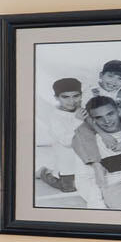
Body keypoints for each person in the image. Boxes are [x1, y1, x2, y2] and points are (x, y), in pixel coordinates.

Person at [34, 75, 93, 205]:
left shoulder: (83, 108)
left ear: (81, 95)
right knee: (68, 188)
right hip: (68, 161)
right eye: (65, 97)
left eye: (75, 96)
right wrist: (77, 120)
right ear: (57, 98)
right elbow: (66, 142)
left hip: (86, 159)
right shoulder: (54, 116)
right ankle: (44, 172)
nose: (71, 101)